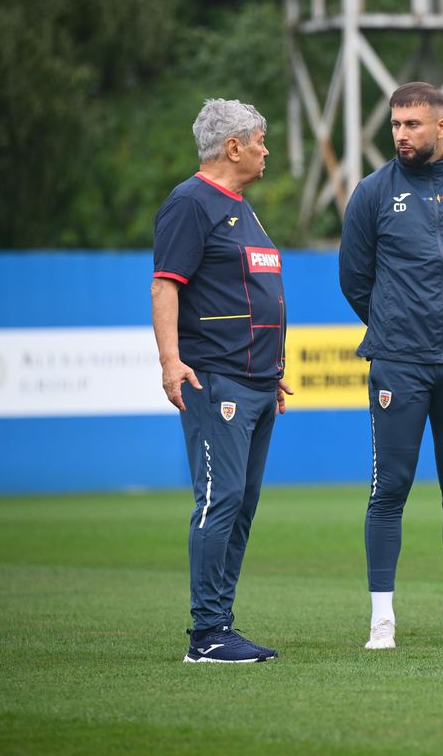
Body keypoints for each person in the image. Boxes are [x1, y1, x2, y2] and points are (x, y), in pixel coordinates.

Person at [340, 82, 443, 650]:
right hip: (398, 363)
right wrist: (397, 325)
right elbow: (354, 279)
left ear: (441, 127)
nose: (401, 135)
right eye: (395, 125)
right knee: (390, 488)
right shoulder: (371, 192)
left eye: (413, 124)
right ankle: (381, 620)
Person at [152, 98, 292, 663]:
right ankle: (205, 634)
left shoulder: (243, 208)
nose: (266, 149)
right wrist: (170, 361)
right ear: (232, 146)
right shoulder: (190, 203)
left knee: (240, 503)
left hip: (257, 382)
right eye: (259, 139)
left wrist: (271, 369)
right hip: (216, 381)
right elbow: (166, 285)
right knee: (220, 499)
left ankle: (222, 625)